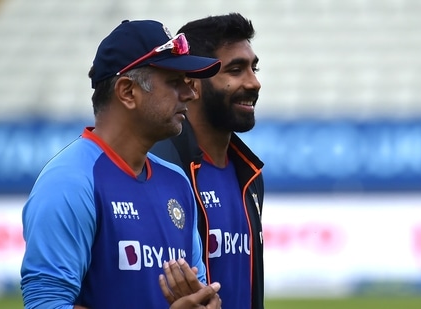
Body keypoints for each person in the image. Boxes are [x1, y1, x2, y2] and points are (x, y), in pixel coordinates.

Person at [20, 19, 222, 309]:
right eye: (175, 82)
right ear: (128, 92)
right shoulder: (70, 181)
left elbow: (197, 295)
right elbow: (46, 305)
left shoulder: (177, 181)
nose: (190, 93)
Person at [150, 13, 265, 309]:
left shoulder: (250, 174)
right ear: (193, 82)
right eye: (236, 70)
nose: (254, 83)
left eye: (254, 68)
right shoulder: (161, 169)